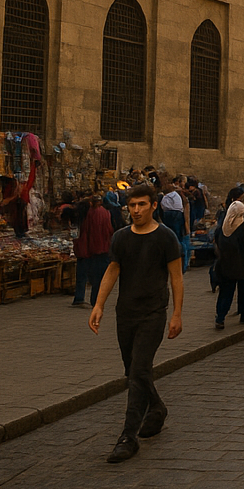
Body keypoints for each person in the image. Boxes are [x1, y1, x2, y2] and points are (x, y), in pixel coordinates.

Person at [89, 183, 184, 464]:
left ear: (154, 205)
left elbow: (176, 278)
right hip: (125, 313)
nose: (137, 210)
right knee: (133, 371)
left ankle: (128, 437)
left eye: (142, 205)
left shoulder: (166, 238)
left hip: (153, 313)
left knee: (140, 368)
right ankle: (157, 407)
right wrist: (98, 304)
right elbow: (113, 270)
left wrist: (177, 314)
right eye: (132, 206)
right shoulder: (121, 238)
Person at [214, 201, 244, 328]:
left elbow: (217, 247)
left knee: (225, 293)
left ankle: (220, 318)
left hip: (225, 266)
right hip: (243, 267)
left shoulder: (221, 230)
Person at [74, 194, 115, 309]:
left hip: (87, 248)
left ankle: (79, 297)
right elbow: (109, 230)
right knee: (99, 277)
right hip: (101, 249)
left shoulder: (87, 214)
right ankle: (95, 301)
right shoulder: (105, 213)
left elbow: (84, 231)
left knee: (82, 274)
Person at [158, 183, 190, 271]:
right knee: (178, 238)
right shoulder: (174, 196)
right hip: (176, 215)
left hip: (173, 215)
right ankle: (182, 264)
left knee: (176, 238)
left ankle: (181, 264)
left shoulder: (171, 196)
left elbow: (164, 207)